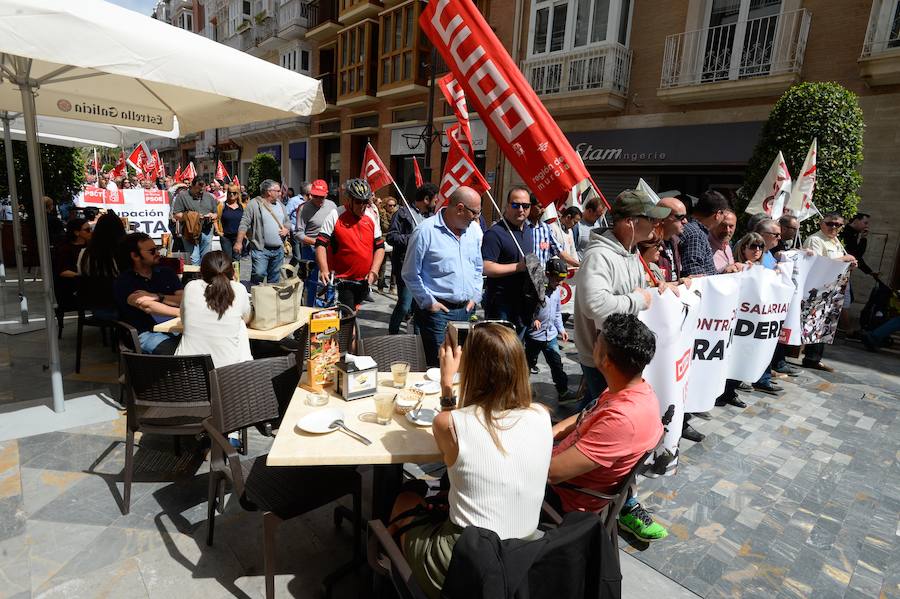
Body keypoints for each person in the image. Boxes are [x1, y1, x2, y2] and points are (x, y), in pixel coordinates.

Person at [389, 323, 552, 598]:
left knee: (406, 497)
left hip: (464, 566)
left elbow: (454, 427)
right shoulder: (541, 415)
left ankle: (389, 572)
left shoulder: (449, 423)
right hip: (523, 558)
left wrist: (446, 382)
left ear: (471, 370)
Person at [547, 313, 666, 542]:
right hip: (569, 473)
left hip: (568, 497)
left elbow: (551, 473)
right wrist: (549, 433)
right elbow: (584, 417)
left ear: (606, 361)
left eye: (597, 342)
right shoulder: (629, 388)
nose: (594, 344)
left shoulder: (622, 419)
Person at [573, 189, 670, 412]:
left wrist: (656, 289)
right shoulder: (599, 255)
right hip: (603, 357)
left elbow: (635, 291)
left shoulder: (631, 251)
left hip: (619, 354)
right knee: (602, 412)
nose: (655, 224)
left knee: (595, 407)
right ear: (630, 222)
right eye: (650, 218)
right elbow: (594, 305)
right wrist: (638, 299)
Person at [402, 187, 483, 366]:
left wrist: (475, 295)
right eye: (475, 212)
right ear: (460, 208)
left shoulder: (475, 231)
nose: (477, 217)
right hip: (438, 314)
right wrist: (429, 302)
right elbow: (409, 273)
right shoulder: (425, 231)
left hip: (466, 311)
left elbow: (477, 267)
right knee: (438, 367)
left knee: (462, 364)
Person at [315, 178, 385, 309]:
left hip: (363, 280)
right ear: (350, 200)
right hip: (342, 279)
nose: (363, 206)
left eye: (366, 202)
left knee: (352, 316)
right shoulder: (336, 214)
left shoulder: (371, 216)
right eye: (359, 202)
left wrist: (374, 271)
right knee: (347, 319)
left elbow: (380, 247)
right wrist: (324, 269)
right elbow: (320, 244)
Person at [175, 251, 252, 368]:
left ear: (201, 271)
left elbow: (184, 318)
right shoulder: (239, 289)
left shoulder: (191, 287)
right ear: (232, 271)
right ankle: (247, 368)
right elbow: (247, 318)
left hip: (186, 372)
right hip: (227, 374)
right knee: (240, 324)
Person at [802, 212, 857, 371]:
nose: (834, 227)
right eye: (830, 223)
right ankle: (790, 359)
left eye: (838, 225)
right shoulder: (815, 240)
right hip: (817, 289)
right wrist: (844, 260)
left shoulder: (836, 242)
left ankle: (814, 359)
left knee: (824, 325)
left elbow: (838, 264)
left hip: (832, 289)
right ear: (821, 223)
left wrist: (849, 265)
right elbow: (816, 264)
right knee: (811, 323)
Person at [113, 233, 183, 354]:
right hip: (145, 332)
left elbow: (183, 298)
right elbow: (147, 305)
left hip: (176, 327)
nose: (158, 253)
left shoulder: (166, 272)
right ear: (135, 256)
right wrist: (181, 313)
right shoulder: (124, 281)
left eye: (157, 249)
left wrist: (158, 297)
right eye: (152, 251)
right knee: (180, 352)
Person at [481, 185, 536, 334]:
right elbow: (486, 267)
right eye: (515, 205)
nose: (520, 209)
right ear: (506, 206)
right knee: (501, 351)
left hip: (524, 303)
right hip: (501, 304)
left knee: (517, 351)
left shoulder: (529, 231)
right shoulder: (495, 233)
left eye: (525, 206)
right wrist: (518, 267)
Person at [387, 183, 436, 334]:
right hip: (406, 266)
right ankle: (393, 333)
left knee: (419, 305)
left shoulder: (431, 217)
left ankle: (416, 336)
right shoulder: (402, 213)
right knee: (405, 304)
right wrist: (413, 238)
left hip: (424, 268)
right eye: (434, 200)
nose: (436, 203)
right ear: (426, 199)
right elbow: (391, 237)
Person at [525, 258, 574, 401]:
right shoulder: (537, 291)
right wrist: (533, 320)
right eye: (557, 278)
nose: (560, 282)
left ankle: (563, 392)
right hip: (535, 336)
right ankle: (521, 390)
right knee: (526, 365)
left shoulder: (557, 291)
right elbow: (527, 310)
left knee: (557, 364)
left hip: (550, 335)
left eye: (562, 278)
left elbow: (557, 312)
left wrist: (562, 329)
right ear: (547, 274)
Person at [234, 179, 290, 285]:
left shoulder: (280, 205)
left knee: (274, 278)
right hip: (261, 249)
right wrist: (238, 242)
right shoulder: (254, 204)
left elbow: (287, 222)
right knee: (259, 273)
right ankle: (255, 292)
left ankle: (270, 298)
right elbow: (244, 224)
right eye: (277, 191)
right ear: (269, 191)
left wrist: (286, 229)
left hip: (278, 249)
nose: (280, 193)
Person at [77, 212, 127, 319]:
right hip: (117, 302)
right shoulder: (119, 253)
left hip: (92, 300)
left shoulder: (85, 253)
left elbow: (81, 273)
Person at [295, 179, 337, 306]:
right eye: (315, 196)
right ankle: (309, 308)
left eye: (321, 197)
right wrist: (315, 242)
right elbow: (298, 233)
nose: (318, 199)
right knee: (311, 282)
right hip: (310, 249)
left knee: (330, 279)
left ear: (326, 194)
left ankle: (329, 305)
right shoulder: (303, 208)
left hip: (329, 248)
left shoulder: (332, 206)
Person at [678, 190, 730, 277]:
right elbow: (694, 272)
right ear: (717, 214)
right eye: (723, 216)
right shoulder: (696, 234)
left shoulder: (695, 230)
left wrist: (724, 273)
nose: (723, 220)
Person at [172, 177, 218, 264]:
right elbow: (176, 214)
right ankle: (195, 277)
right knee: (194, 258)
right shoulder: (182, 196)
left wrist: (211, 215)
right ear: (192, 186)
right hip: (190, 232)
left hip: (206, 231)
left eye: (202, 190)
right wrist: (193, 217)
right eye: (198, 189)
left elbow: (215, 213)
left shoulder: (209, 197)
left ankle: (204, 276)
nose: (200, 192)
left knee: (206, 258)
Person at [655, 196, 688, 282]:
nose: (685, 221)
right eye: (680, 217)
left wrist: (684, 280)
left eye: (685, 217)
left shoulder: (676, 242)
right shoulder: (648, 244)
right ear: (662, 218)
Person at [526, 194, 563, 266]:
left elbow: (559, 250)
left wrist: (578, 264)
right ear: (530, 206)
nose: (543, 211)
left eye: (544, 207)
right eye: (540, 207)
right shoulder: (522, 227)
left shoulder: (546, 228)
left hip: (542, 275)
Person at [842, 213, 877, 278]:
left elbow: (856, 254)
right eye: (865, 223)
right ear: (856, 221)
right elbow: (856, 254)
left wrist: (869, 271)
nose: (866, 226)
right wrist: (863, 238)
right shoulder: (846, 232)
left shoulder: (854, 232)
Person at [216, 184, 245, 262]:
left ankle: (236, 274)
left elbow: (246, 221)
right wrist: (218, 231)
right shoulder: (222, 205)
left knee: (236, 259)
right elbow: (215, 219)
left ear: (238, 194)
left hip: (238, 237)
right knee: (227, 259)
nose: (231, 194)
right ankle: (228, 274)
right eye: (229, 192)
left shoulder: (242, 206)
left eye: (234, 193)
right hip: (225, 237)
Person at [284, 183, 307, 263]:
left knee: (304, 257)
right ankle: (288, 272)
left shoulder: (311, 200)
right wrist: (291, 228)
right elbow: (286, 215)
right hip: (296, 232)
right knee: (297, 257)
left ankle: (301, 274)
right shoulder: (294, 200)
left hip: (307, 233)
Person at [709, 209, 738, 273]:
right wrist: (724, 272)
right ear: (715, 223)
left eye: (731, 226)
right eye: (723, 225)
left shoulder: (727, 247)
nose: (727, 230)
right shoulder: (704, 245)